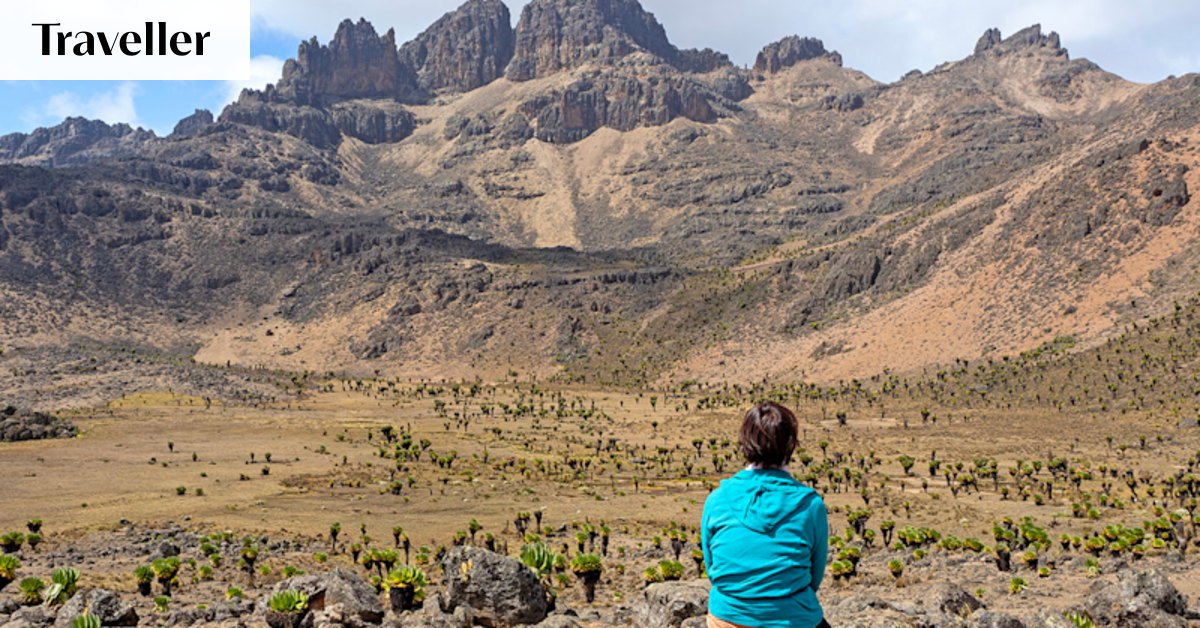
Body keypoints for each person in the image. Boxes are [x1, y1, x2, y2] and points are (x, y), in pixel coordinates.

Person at [701, 402, 830, 628]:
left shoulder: (717, 499)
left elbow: (713, 569)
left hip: (727, 618)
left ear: (744, 443)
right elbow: (814, 576)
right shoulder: (810, 504)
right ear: (790, 444)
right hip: (792, 619)